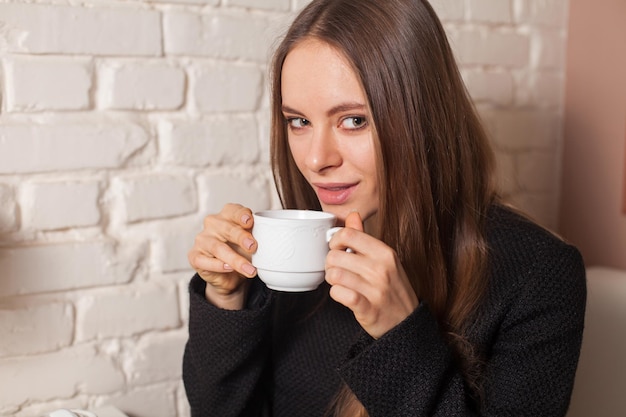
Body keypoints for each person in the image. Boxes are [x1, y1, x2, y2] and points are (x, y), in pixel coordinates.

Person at [183, 0, 587, 416]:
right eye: (298, 121)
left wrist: (399, 333)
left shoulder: (538, 274)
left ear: (423, 116)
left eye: (353, 120)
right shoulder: (294, 253)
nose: (317, 158)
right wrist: (226, 298)